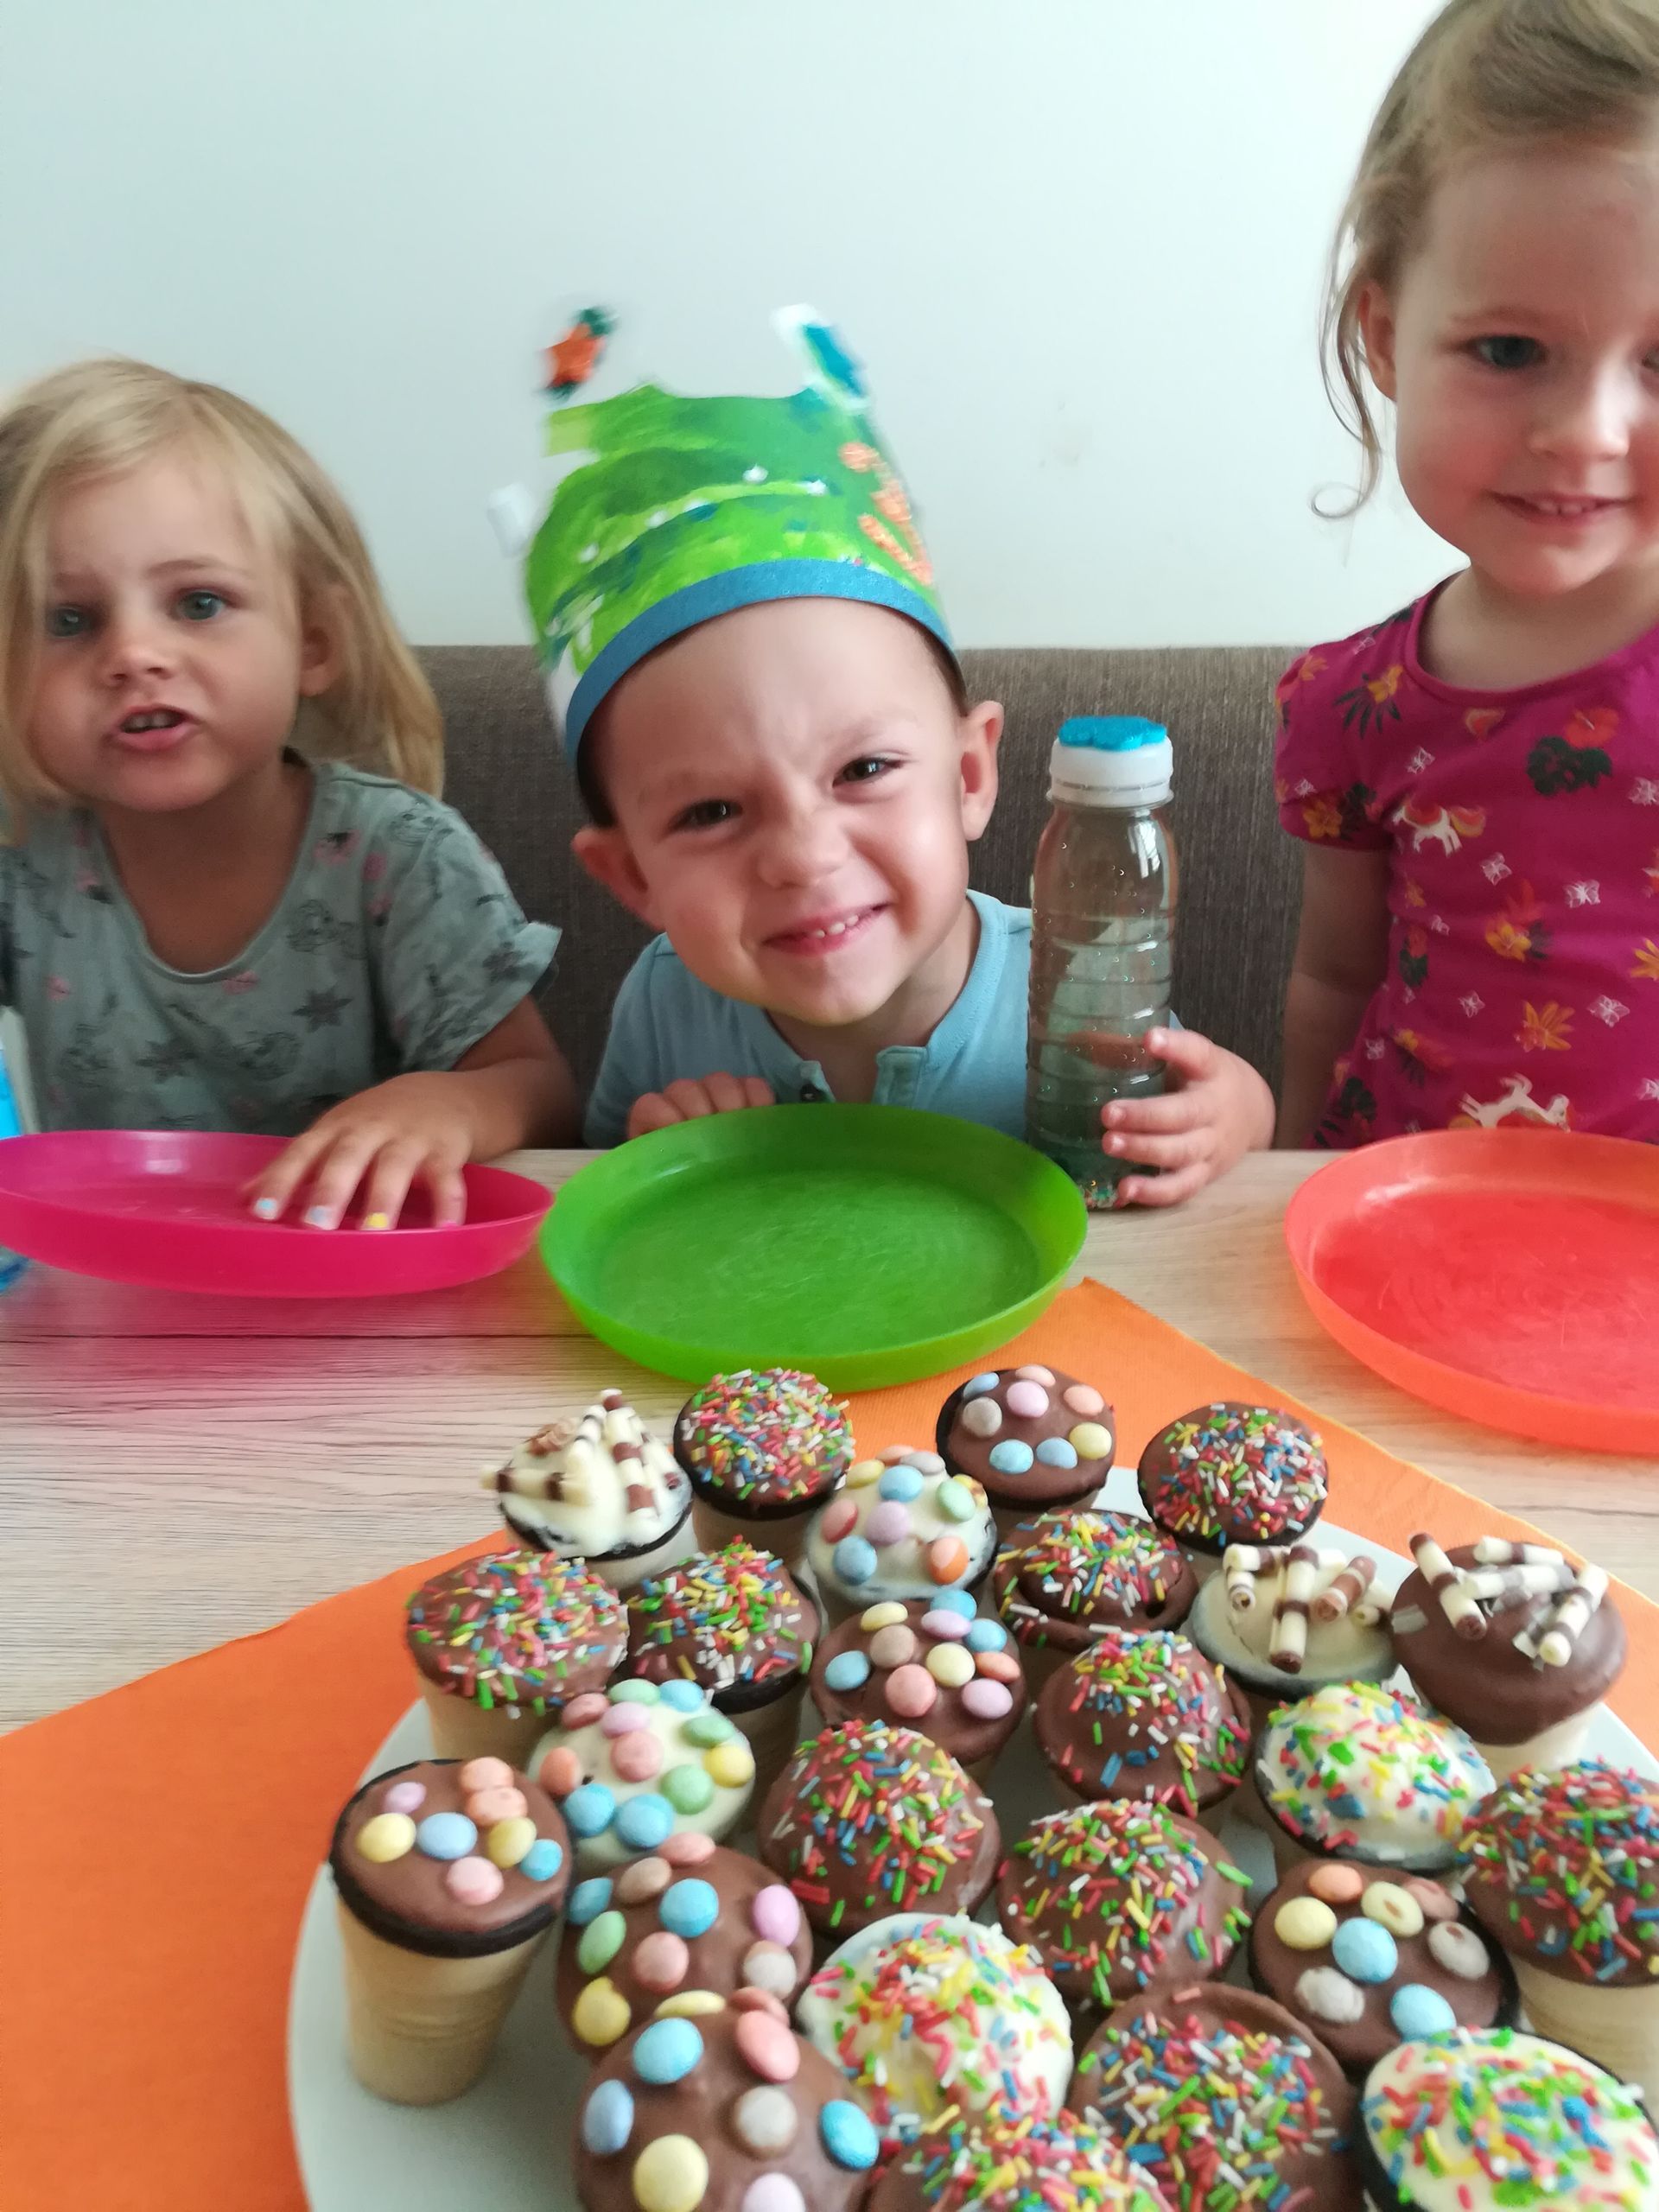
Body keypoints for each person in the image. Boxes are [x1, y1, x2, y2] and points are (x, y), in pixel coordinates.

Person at [520, 305, 1272, 1206]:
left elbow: (1213, 1128)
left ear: (968, 776)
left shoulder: (1078, 983)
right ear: (632, 876)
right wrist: (662, 1157)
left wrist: (1235, 1114)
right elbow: (601, 1191)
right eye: (712, 812)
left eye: (863, 770)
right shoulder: (663, 1008)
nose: (804, 855)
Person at [0, 359, 576, 1224]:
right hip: (115, 1286)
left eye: (198, 603)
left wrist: (450, 1104)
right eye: (69, 620)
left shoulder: (399, 855)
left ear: (313, 643)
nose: (133, 655)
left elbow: (542, 1089)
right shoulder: (25, 861)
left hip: (360, 1273)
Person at [1278, 0, 1659, 1148]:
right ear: (1385, 338)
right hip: (1407, 1228)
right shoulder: (1348, 704)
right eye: (1509, 350)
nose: (1588, 432)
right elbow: (1332, 983)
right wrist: (1278, 1189)